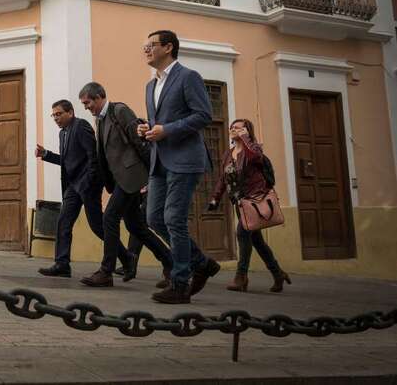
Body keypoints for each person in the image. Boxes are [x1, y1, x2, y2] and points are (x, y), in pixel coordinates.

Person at [138, 29, 220, 304]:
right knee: (154, 219)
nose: (146, 50)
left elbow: (204, 115)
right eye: (144, 46)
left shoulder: (188, 77)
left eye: (151, 45)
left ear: (168, 47)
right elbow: (159, 122)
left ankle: (180, 283)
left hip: (185, 160)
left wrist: (166, 130)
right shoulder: (150, 85)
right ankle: (202, 263)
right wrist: (147, 130)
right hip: (159, 160)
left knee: (173, 218)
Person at [77, 82, 173, 287]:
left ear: (99, 96)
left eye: (88, 102)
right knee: (136, 227)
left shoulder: (119, 111)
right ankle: (169, 261)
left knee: (109, 218)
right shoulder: (100, 120)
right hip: (121, 179)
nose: (86, 107)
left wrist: (151, 175)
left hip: (133, 177)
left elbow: (139, 142)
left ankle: (106, 271)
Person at [35, 100, 132, 278]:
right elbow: (67, 161)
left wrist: (89, 182)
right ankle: (62, 264)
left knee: (97, 226)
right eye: (53, 115)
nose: (56, 118)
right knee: (63, 222)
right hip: (73, 186)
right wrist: (46, 155)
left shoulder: (81, 126)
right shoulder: (63, 134)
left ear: (70, 112)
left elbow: (93, 155)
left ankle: (126, 258)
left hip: (87, 185)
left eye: (59, 114)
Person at [208, 118, 292, 293]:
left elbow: (256, 158)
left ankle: (241, 276)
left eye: (237, 127)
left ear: (247, 130)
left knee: (242, 233)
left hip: (255, 201)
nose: (233, 129)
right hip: (240, 203)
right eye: (232, 127)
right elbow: (223, 179)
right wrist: (215, 198)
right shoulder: (228, 154)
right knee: (257, 241)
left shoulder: (253, 149)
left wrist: (246, 139)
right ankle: (277, 273)